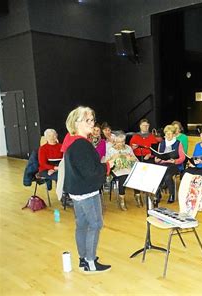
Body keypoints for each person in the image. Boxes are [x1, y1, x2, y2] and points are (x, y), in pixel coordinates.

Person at [62, 106, 113, 273]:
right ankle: (90, 263)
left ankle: (83, 258)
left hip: (77, 189)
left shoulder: (71, 140)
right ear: (77, 123)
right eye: (88, 120)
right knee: (95, 224)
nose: (92, 123)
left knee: (82, 225)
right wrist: (107, 166)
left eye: (92, 119)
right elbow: (90, 172)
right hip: (86, 191)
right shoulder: (81, 144)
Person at [105, 132, 139, 210]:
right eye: (118, 142)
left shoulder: (128, 148)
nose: (120, 144)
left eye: (122, 141)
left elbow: (136, 159)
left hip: (127, 167)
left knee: (135, 175)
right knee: (123, 177)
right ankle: (122, 199)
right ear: (115, 141)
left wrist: (131, 158)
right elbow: (106, 162)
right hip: (116, 168)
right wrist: (113, 157)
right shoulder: (111, 149)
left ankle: (137, 195)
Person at [129, 119, 160, 201]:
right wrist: (133, 148)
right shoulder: (135, 136)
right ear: (140, 126)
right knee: (136, 172)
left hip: (148, 157)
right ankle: (137, 194)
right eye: (144, 125)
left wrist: (150, 154)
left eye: (147, 125)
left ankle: (152, 192)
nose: (145, 127)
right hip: (137, 157)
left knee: (152, 171)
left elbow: (155, 150)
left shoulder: (152, 137)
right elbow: (129, 150)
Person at [154, 124, 185, 204]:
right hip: (162, 164)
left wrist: (175, 161)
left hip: (174, 165)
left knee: (167, 176)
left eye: (170, 133)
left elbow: (182, 158)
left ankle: (172, 194)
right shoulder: (161, 143)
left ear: (174, 134)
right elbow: (158, 155)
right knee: (156, 174)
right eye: (166, 133)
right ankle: (157, 195)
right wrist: (156, 159)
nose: (168, 135)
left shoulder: (178, 143)